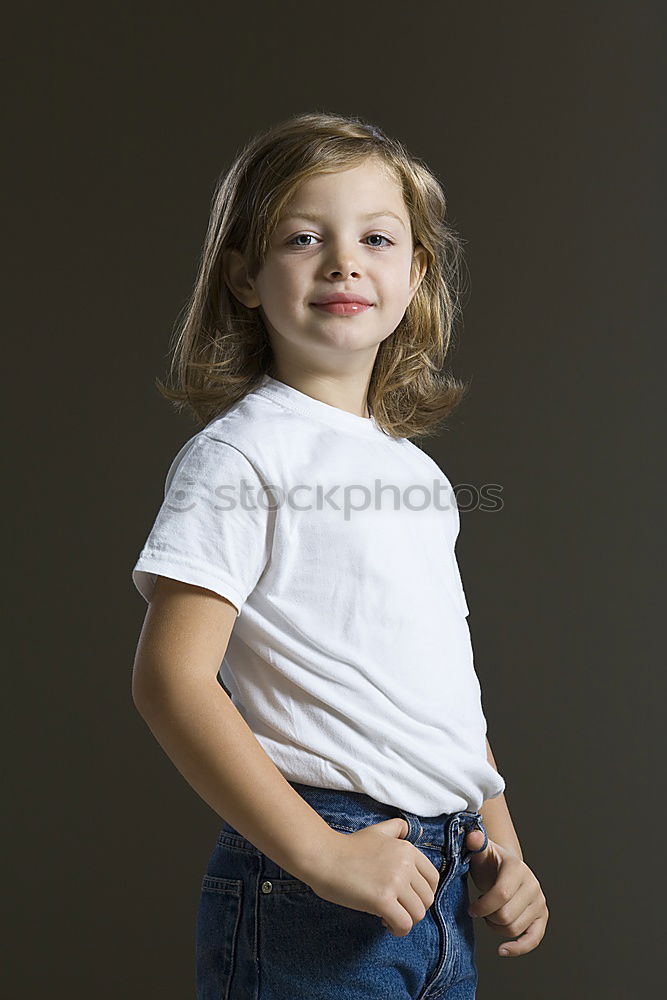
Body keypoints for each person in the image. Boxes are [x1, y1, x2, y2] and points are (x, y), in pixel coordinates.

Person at [130, 112, 548, 1000]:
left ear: (414, 275)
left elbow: (442, 689)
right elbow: (171, 677)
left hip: (436, 878)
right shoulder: (241, 456)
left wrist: (499, 844)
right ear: (243, 274)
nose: (344, 261)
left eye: (375, 238)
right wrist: (318, 853)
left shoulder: (419, 478)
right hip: (310, 883)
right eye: (304, 236)